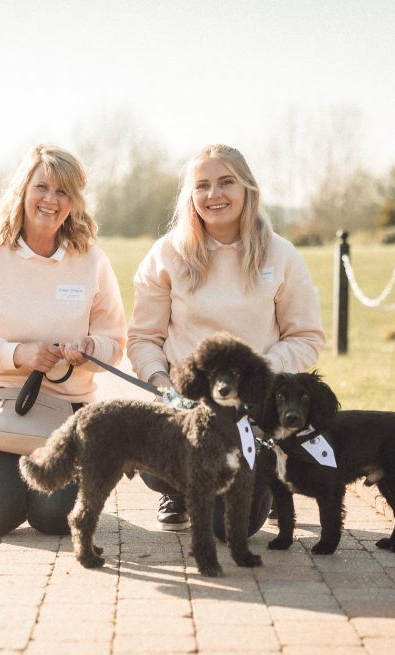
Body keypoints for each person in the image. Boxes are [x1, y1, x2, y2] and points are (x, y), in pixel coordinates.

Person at [127, 143, 325, 536]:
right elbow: (143, 338)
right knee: (150, 454)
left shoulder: (281, 255)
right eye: (202, 186)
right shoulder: (166, 255)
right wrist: (162, 384)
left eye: (225, 182)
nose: (213, 195)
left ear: (247, 189)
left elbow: (305, 337)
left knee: (228, 529)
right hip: (186, 406)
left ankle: (265, 483)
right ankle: (179, 491)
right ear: (191, 196)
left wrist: (260, 377)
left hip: (253, 408)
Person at [0, 145, 126, 537]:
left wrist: (90, 350)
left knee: (56, 519)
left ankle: (49, 494)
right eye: (42, 187)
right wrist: (18, 354)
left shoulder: (93, 262)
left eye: (64, 192)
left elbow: (114, 341)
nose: (51, 200)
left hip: (67, 412)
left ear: (74, 202)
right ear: (23, 191)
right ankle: (2, 482)